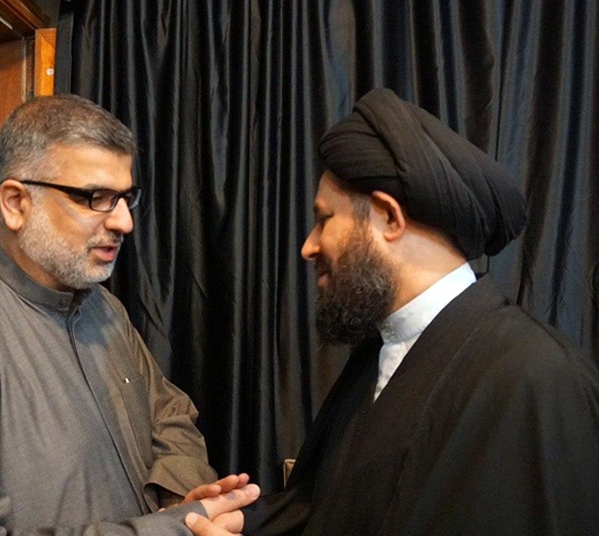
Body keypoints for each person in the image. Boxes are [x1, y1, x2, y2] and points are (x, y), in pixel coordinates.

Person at [185, 88, 599, 536]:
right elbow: (338, 509)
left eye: (324, 219)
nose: (309, 246)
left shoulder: (538, 378)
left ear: (388, 217)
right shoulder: (381, 353)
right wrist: (240, 521)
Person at [0, 94, 256, 535]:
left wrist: (180, 498)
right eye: (95, 197)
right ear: (16, 203)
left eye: (125, 198)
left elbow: (169, 413)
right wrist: (169, 530)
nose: (124, 222)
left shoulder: (103, 308)